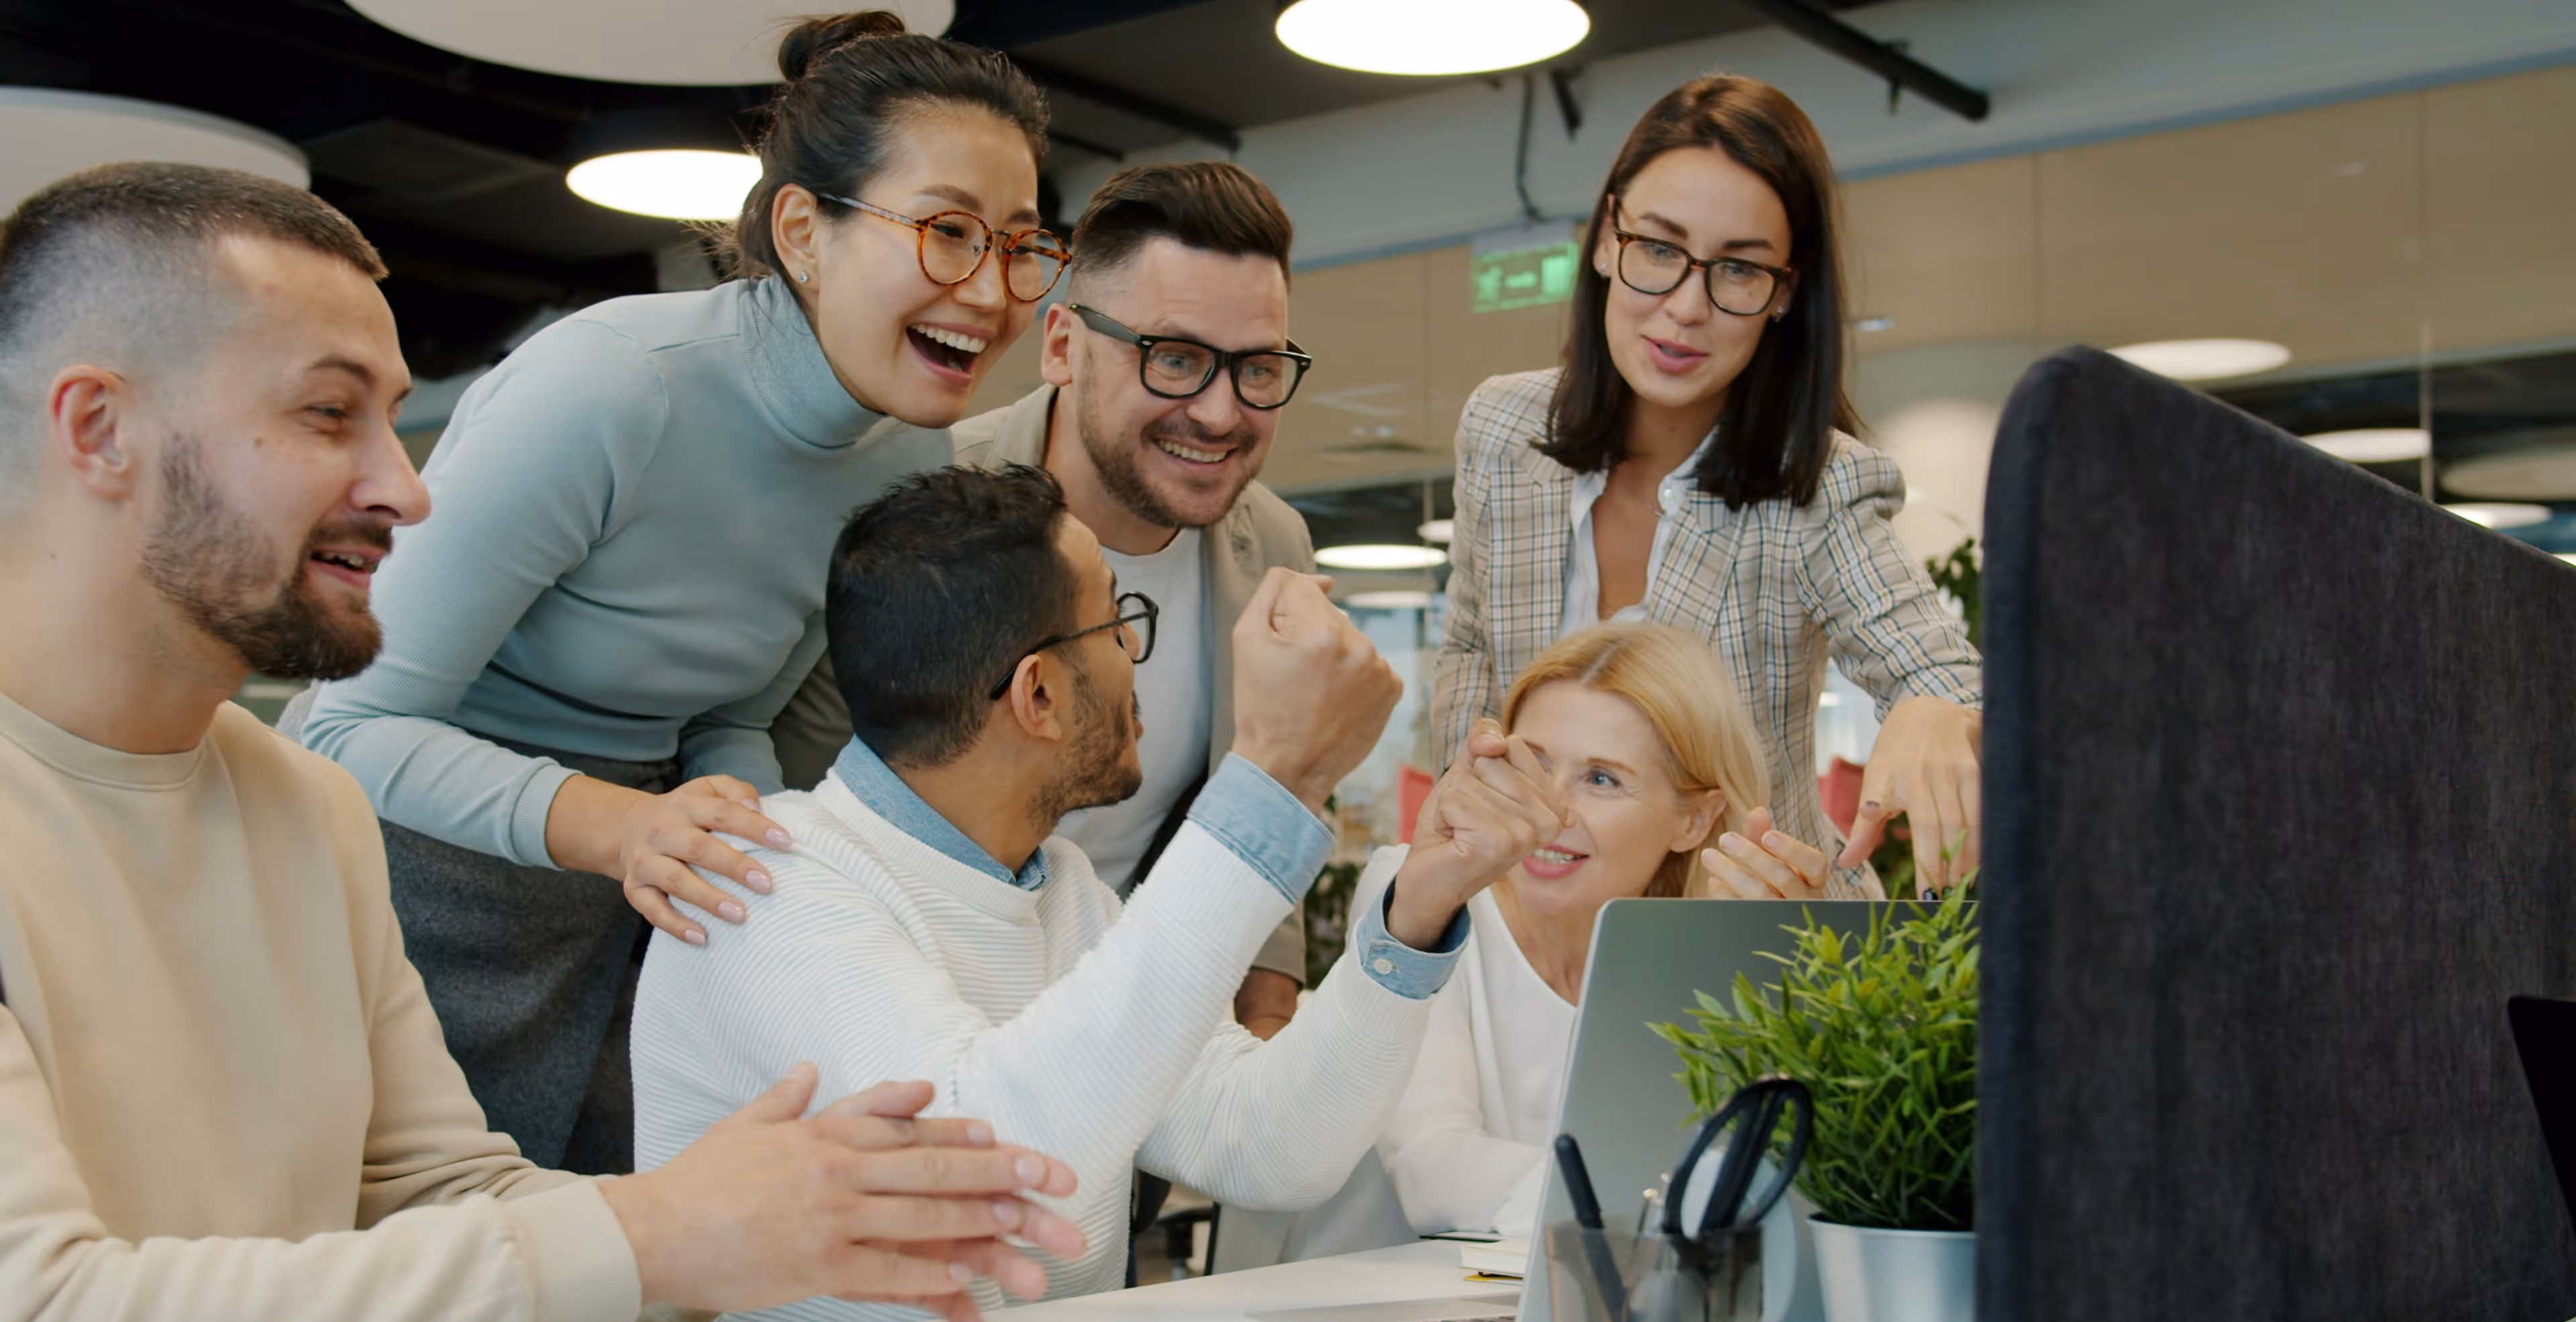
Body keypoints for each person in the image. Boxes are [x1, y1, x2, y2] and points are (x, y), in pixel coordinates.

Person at [0, 162, 1085, 1322]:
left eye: (392, 423)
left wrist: (774, 1222)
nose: (405, 489)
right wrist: (660, 1235)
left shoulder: (304, 804)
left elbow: (440, 1193)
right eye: (327, 414)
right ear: (97, 430)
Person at [297, 13, 1065, 1174]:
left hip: (640, 905)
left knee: (611, 1313)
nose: (994, 289)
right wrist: (626, 825)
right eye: (950, 232)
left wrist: (769, 841)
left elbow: (732, 717)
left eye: (1019, 245)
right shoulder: (615, 389)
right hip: (421, 902)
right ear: (805, 230)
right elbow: (343, 727)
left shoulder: (909, 460)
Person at [632, 463, 1567, 1322]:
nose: (1134, 657)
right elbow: (987, 1156)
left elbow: (1269, 1145)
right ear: (1038, 693)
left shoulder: (1065, 888)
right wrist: (1271, 780)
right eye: (1118, 624)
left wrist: (1414, 912)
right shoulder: (766, 883)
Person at [771, 158, 1319, 1038]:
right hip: (890, 1019)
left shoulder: (1274, 547)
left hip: (1133, 1035)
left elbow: (1259, 783)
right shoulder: (921, 495)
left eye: (1257, 369)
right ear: (1062, 344)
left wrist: (1266, 1000)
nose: (1220, 413)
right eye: (1174, 359)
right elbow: (795, 775)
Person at [1433, 73, 1983, 898]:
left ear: (1785, 293)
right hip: (1530, 930)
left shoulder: (1815, 489)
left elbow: (1945, 679)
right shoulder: (1503, 431)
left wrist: (1936, 710)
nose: (1687, 307)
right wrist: (1475, 805)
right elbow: (1473, 646)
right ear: (1605, 240)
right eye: (1659, 249)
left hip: (1750, 960)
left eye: (1738, 270)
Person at [1372, 623, 1831, 1237]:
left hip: (1592, 1315)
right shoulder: (1419, 891)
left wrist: (1795, 984)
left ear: (1695, 821)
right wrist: (1662, 1210)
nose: (1550, 811)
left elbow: (1785, 1170)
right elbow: (1432, 1170)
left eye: (1601, 779)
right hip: (1366, 1308)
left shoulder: (1694, 954)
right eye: (1532, 764)